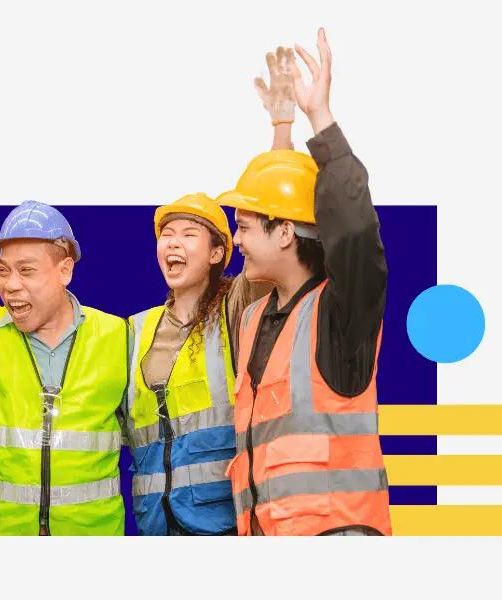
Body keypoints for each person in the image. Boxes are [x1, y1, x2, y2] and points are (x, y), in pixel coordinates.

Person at [218, 28, 392, 536]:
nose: (237, 240)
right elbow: (276, 202)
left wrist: (320, 119)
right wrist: (280, 126)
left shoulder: (341, 317)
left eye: (245, 228)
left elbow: (356, 230)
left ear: (286, 233)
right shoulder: (256, 315)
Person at [123, 48, 301, 535]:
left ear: (220, 252)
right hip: (155, 524)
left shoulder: (236, 305)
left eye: (188, 234)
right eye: (166, 234)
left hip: (223, 521)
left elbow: (269, 219)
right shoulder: (134, 330)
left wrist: (282, 126)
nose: (172, 244)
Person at [0, 201, 128, 535]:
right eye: (3, 271)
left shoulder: (117, 337)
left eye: (26, 270)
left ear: (65, 271)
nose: (11, 285)